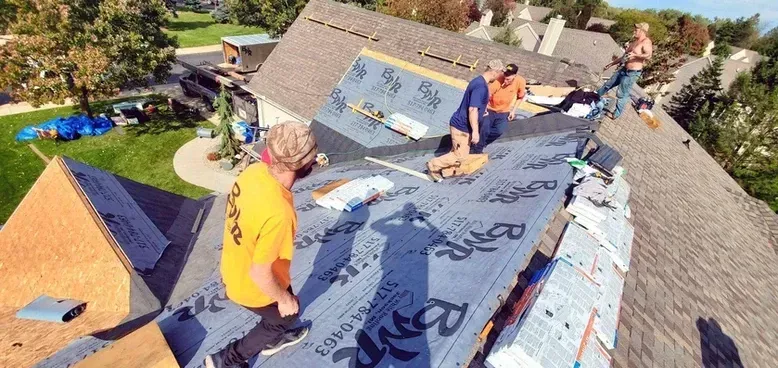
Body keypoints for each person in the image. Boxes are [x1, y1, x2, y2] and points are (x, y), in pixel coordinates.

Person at [205, 122, 318, 368]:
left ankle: (272, 337)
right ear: (306, 164)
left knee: (287, 300)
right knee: (285, 315)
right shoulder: (279, 212)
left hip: (234, 266)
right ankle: (227, 360)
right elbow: (260, 273)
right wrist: (283, 300)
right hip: (251, 284)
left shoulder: (253, 173)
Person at [426, 59, 505, 180]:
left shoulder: (478, 81)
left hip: (462, 125)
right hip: (462, 126)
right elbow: (472, 109)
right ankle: (433, 165)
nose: (500, 76)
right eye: (500, 73)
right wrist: (475, 132)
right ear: (495, 72)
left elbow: (474, 106)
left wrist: (482, 111)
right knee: (461, 156)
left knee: (456, 151)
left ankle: (447, 172)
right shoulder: (481, 87)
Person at [597, 22, 653, 119]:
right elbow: (624, 56)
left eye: (636, 30)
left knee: (621, 94)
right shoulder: (634, 42)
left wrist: (636, 55)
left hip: (631, 73)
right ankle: (594, 98)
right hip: (623, 69)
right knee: (607, 84)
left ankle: (616, 114)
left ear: (642, 31)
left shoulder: (646, 42)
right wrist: (610, 64)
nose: (634, 31)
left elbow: (648, 55)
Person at [472, 63, 526, 154]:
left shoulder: (520, 81)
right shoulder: (498, 80)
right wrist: (484, 109)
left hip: (503, 111)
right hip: (490, 109)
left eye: (508, 79)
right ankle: (477, 150)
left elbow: (520, 97)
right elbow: (487, 95)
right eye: (504, 77)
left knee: (499, 131)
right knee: (485, 129)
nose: (505, 80)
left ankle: (480, 143)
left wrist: (513, 111)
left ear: (515, 76)